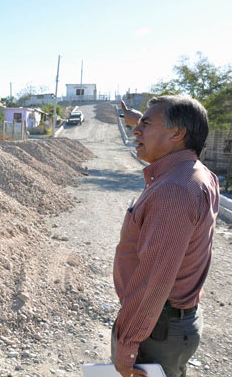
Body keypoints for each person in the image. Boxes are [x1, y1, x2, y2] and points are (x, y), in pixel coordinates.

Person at [112, 96, 219, 377]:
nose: (136, 131)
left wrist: (127, 346)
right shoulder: (197, 173)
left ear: (176, 133)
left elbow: (154, 280)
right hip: (168, 324)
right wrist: (140, 118)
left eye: (145, 125)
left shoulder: (174, 190)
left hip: (156, 330)